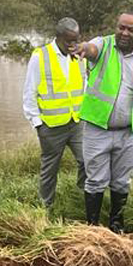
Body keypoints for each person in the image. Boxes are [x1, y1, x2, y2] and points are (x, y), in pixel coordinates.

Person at [72, 11, 133, 233]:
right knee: (95, 181)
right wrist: (83, 48)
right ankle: (93, 228)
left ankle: (116, 225)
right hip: (97, 128)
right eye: (121, 27)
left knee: (122, 182)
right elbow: (90, 48)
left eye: (130, 30)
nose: (124, 32)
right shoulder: (102, 46)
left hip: (129, 132)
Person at [22, 17, 87, 208]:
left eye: (76, 40)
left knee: (87, 160)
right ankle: (45, 206)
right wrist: (37, 123)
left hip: (76, 122)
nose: (73, 45)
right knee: (50, 168)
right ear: (58, 37)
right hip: (51, 126)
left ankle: (81, 197)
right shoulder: (40, 56)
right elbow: (29, 92)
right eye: (69, 41)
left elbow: (85, 86)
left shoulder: (79, 55)